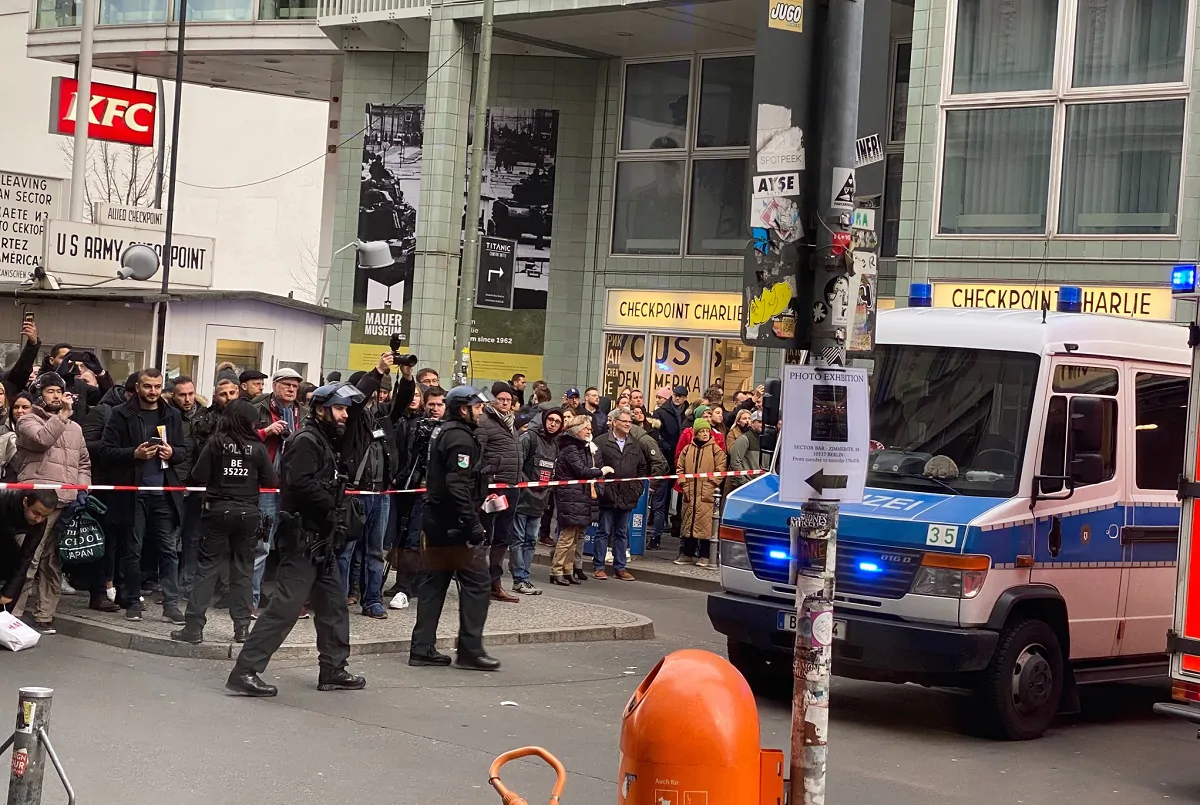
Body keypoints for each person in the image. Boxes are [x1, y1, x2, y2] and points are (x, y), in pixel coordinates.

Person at [226, 382, 368, 697]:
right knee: (285, 609)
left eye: (346, 409)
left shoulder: (326, 438)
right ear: (321, 409)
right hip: (303, 539)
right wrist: (334, 506)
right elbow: (301, 484)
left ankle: (333, 669)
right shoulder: (306, 440)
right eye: (340, 408)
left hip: (321, 538)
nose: (345, 415)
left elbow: (358, 426)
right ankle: (244, 671)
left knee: (333, 606)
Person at [171, 400, 278, 645]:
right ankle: (241, 628)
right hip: (248, 514)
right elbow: (272, 480)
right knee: (242, 571)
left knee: (207, 570)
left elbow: (197, 476)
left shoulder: (216, 443)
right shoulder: (257, 447)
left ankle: (194, 628)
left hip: (217, 512)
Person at [409, 384, 500, 672]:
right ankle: (470, 650)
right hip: (454, 525)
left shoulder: (443, 430)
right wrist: (473, 525)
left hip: (436, 520)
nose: (481, 410)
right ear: (463, 409)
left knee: (434, 584)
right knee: (477, 583)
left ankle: (421, 648)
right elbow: (457, 485)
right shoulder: (460, 438)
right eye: (476, 407)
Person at [100, 368, 188, 623]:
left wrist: (173, 454)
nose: (153, 392)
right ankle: (132, 600)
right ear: (137, 387)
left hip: (163, 491)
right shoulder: (120, 413)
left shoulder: (171, 414)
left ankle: (171, 604)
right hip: (133, 491)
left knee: (169, 551)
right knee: (133, 549)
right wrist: (133, 454)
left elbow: (183, 451)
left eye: (157, 387)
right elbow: (105, 451)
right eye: (148, 386)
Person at [10, 373, 95, 631]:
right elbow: (42, 439)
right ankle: (11, 615)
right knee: (28, 560)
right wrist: (62, 418)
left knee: (52, 563)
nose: (56, 396)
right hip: (37, 502)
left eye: (60, 391)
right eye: (50, 391)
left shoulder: (75, 429)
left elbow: (84, 463)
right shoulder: (27, 420)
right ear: (40, 393)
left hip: (65, 503)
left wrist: (81, 489)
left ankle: (44, 615)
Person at [250, 368, 306, 614]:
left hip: (294, 487)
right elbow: (241, 439)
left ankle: (289, 602)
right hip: (267, 485)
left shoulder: (301, 412)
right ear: (274, 385)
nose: (292, 389)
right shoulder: (258, 408)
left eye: (295, 386)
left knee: (294, 547)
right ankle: (250, 602)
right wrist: (266, 432)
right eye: (287, 385)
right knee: (261, 546)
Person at [387, 385, 445, 602]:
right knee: (404, 537)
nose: (435, 409)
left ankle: (409, 586)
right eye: (432, 404)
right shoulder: (414, 425)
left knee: (416, 539)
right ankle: (403, 582)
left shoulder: (448, 430)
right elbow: (408, 456)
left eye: (439, 405)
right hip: (409, 486)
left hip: (432, 492)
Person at [550, 415, 611, 586]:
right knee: (567, 537)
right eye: (587, 428)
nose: (590, 431)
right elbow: (581, 470)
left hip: (577, 496)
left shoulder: (579, 447)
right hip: (570, 496)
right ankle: (556, 570)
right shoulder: (570, 448)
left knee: (575, 537)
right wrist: (601, 471)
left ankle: (568, 570)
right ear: (577, 430)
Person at [477, 382, 521, 603]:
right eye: (501, 399)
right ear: (492, 399)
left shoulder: (510, 423)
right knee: (485, 536)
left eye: (508, 399)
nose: (505, 403)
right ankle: (479, 583)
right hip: (492, 489)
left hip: (511, 487)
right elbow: (479, 454)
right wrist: (488, 478)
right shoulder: (484, 421)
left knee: (502, 537)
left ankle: (495, 582)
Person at [591, 406, 647, 581]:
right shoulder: (601, 442)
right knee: (603, 531)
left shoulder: (635, 444)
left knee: (622, 532)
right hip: (607, 494)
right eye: (624, 421)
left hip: (627, 494)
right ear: (614, 422)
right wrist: (601, 489)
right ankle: (599, 566)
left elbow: (642, 467)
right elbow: (596, 466)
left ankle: (620, 567)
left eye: (630, 422)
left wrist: (637, 488)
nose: (628, 424)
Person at [511, 408, 562, 595]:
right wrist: (525, 487)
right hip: (523, 498)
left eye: (557, 421)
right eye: (551, 420)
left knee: (531, 541)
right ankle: (519, 578)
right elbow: (517, 464)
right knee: (517, 539)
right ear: (544, 420)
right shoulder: (528, 438)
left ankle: (525, 576)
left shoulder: (555, 444)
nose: (554, 424)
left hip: (540, 501)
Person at [168, 376, 206, 598]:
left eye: (190, 393)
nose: (187, 399)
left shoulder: (204, 415)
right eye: (182, 394)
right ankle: (169, 585)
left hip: (198, 485)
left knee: (193, 538)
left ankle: (187, 584)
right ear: (174, 395)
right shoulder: (169, 417)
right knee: (172, 538)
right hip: (175, 484)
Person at [675, 417, 726, 567]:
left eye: (706, 431)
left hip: (706, 493)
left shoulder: (715, 449)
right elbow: (680, 467)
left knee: (705, 525)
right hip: (690, 492)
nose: (704, 434)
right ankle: (687, 553)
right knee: (688, 523)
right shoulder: (687, 449)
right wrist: (684, 484)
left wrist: (711, 485)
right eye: (701, 431)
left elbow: (721, 469)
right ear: (695, 433)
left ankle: (704, 555)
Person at [0, 490, 59, 610]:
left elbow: (26, 556)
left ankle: (3, 617)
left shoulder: (40, 522)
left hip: (5, 538)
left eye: (45, 516)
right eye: (36, 513)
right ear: (25, 502)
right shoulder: (4, 502)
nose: (39, 519)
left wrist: (9, 591)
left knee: (17, 575)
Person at [727, 411, 763, 493]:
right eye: (760, 422)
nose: (763, 424)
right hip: (747, 485)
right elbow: (735, 462)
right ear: (752, 423)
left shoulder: (766, 440)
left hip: (761, 485)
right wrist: (744, 482)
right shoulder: (744, 439)